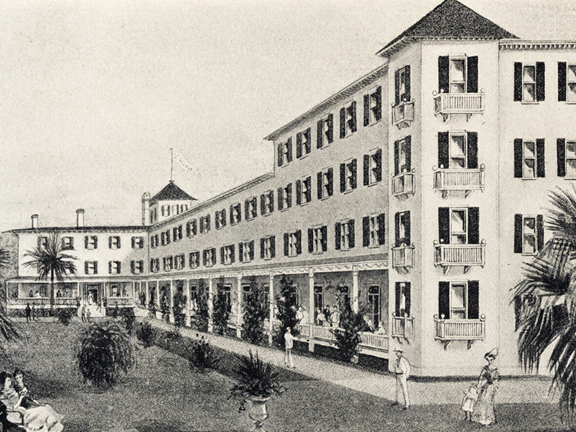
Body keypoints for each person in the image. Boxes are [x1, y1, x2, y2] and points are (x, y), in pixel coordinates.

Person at [472, 348, 500, 426]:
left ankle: (490, 419)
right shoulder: (485, 368)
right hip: (487, 385)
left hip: (492, 386)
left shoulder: (495, 369)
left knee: (488, 401)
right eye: (488, 360)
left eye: (491, 360)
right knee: (482, 400)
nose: (490, 361)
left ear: (493, 360)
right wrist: (478, 386)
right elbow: (481, 378)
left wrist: (496, 386)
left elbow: (496, 379)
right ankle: (482, 418)